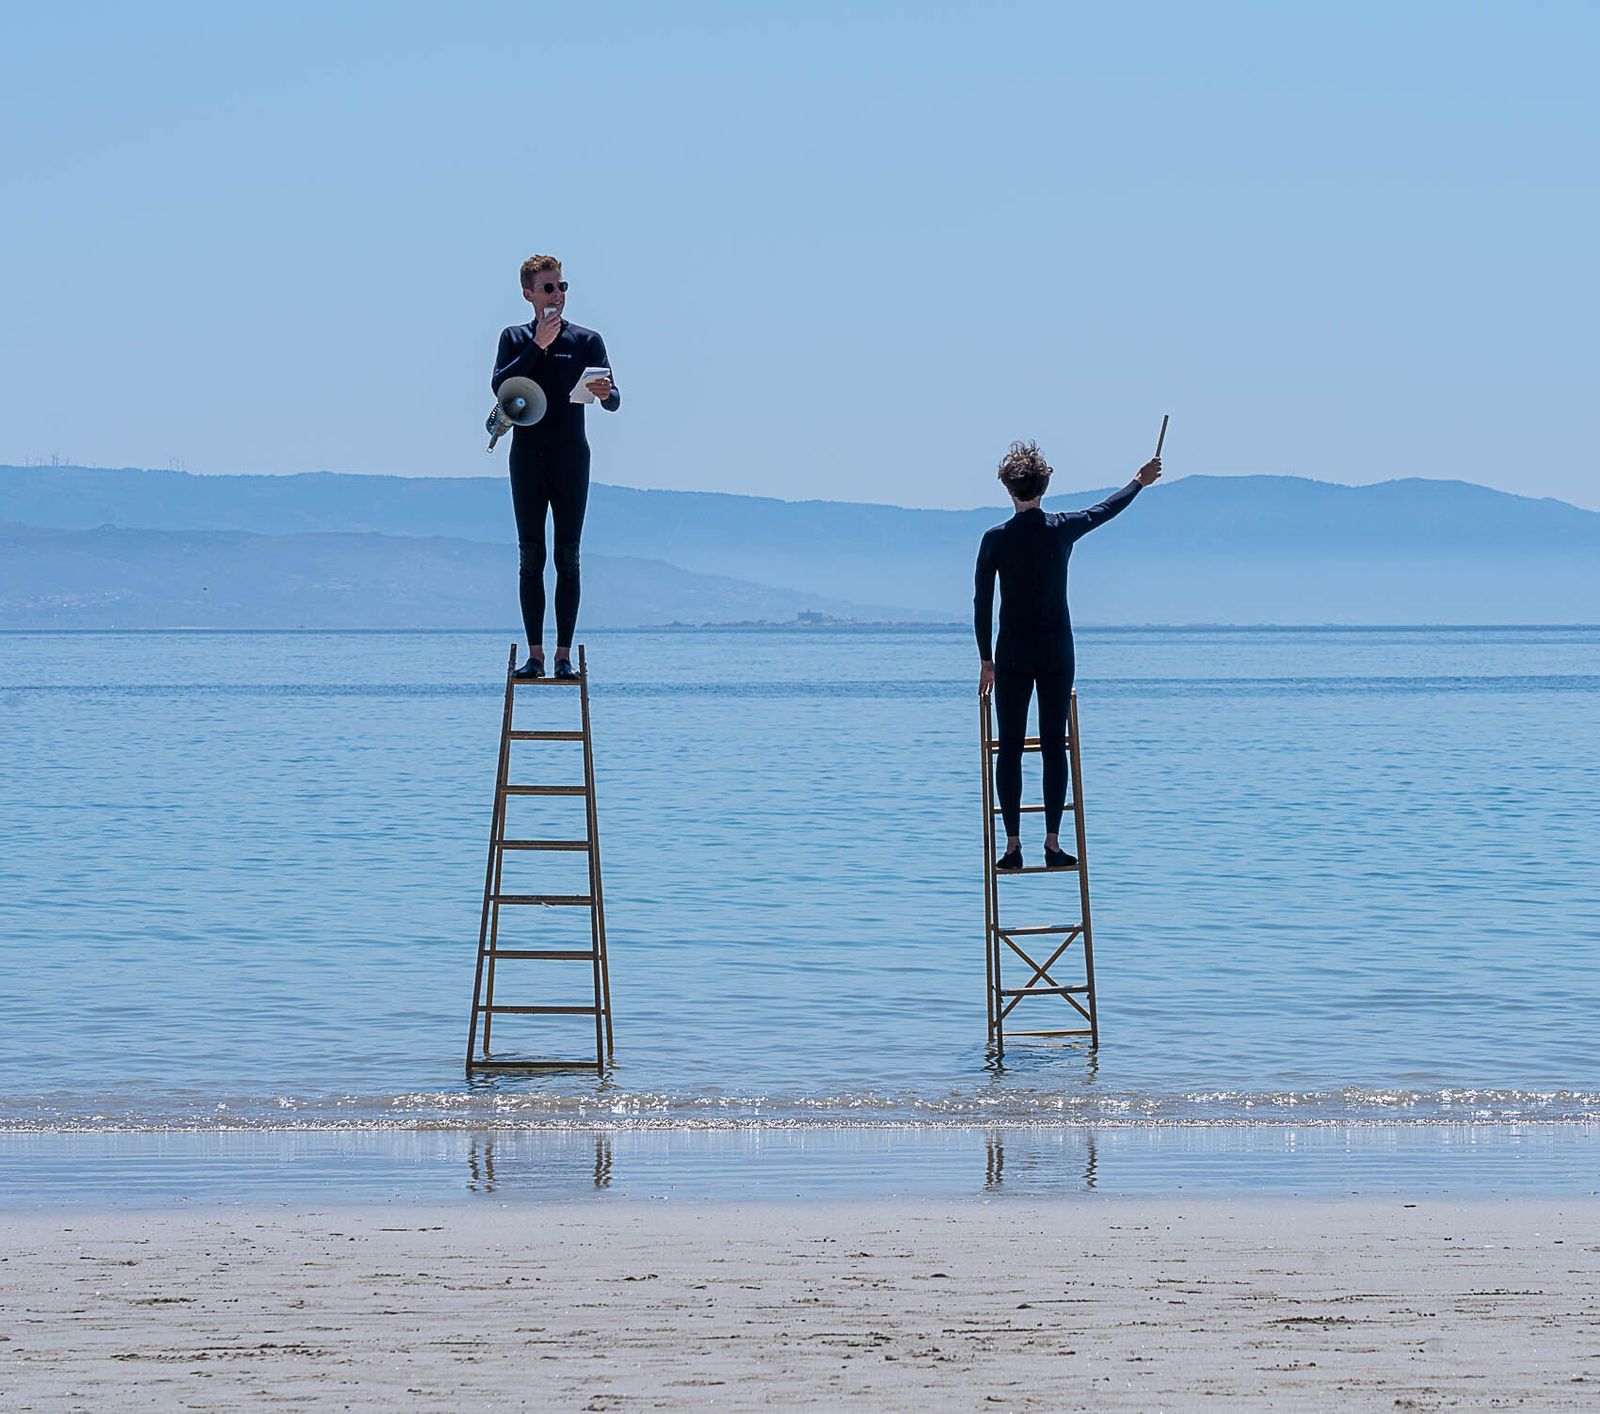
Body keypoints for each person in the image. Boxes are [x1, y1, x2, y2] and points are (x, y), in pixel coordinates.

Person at [974, 440, 1161, 870]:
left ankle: (1012, 846)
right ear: (1045, 485)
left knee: (1011, 749)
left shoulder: (995, 539)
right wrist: (1139, 481)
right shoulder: (1060, 527)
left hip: (1013, 653)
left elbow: (981, 602)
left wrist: (986, 660)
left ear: (1008, 489)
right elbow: (1105, 509)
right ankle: (1053, 844)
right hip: (1057, 650)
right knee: (1055, 745)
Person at [491, 254, 621, 680]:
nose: (557, 296)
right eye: (548, 288)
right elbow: (500, 384)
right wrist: (538, 346)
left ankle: (563, 656)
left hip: (571, 457)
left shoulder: (587, 340)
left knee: (568, 555)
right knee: (531, 555)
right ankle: (536, 655)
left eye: (562, 287)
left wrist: (605, 392)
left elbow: (615, 399)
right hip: (528, 458)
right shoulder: (514, 337)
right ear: (529, 293)